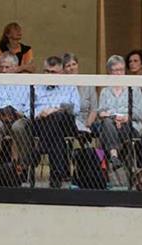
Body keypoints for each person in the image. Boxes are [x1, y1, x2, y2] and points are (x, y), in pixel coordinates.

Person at [33, 56, 81, 188]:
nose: (49, 75)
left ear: (61, 73)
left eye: (53, 72)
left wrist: (55, 110)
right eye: (46, 71)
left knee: (58, 117)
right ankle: (56, 176)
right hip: (42, 123)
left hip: (66, 123)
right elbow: (27, 108)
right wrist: (39, 113)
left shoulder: (69, 86)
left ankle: (41, 147)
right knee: (56, 136)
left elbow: (76, 108)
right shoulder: (37, 86)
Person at [93, 55, 142, 170]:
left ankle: (109, 161)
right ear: (109, 72)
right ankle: (114, 156)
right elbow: (101, 112)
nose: (119, 73)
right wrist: (113, 118)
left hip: (129, 126)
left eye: (121, 70)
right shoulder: (105, 91)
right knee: (107, 123)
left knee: (105, 130)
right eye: (115, 70)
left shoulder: (134, 89)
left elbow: (139, 113)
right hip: (110, 124)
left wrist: (125, 118)